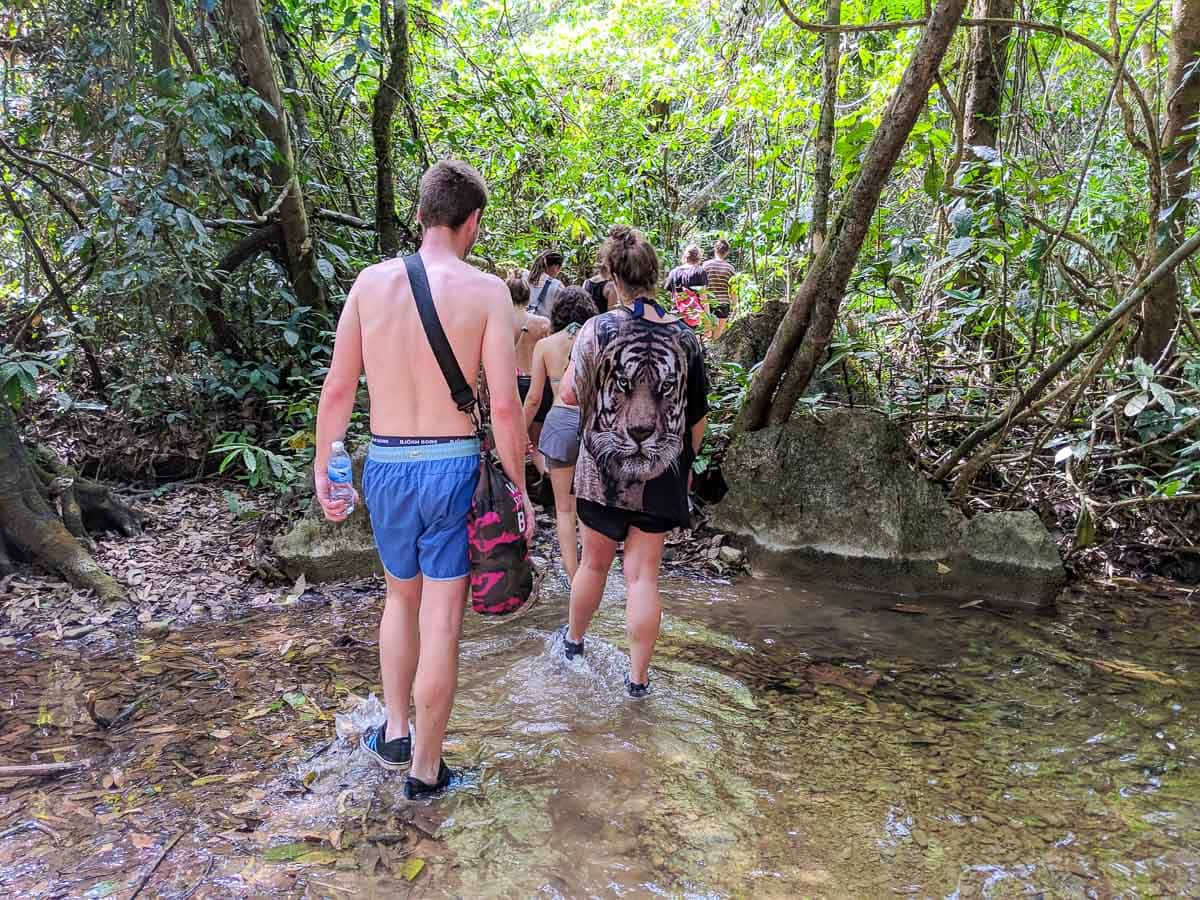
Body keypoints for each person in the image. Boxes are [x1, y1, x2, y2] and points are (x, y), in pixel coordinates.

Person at [314, 160, 534, 799]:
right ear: (472, 222)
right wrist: (515, 492)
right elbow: (503, 407)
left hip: (383, 464)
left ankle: (395, 730)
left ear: (419, 215)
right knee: (441, 619)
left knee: (399, 599)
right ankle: (425, 773)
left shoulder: (369, 284)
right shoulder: (487, 291)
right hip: (453, 466)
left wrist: (327, 466)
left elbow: (337, 389)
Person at [558, 226, 708, 697]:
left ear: (611, 278)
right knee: (643, 576)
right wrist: (683, 464)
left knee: (593, 566)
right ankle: (638, 681)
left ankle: (573, 644)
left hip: (601, 471)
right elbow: (697, 421)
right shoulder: (686, 338)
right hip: (664, 473)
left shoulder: (596, 330)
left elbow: (567, 394)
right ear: (656, 276)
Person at [522, 287, 598, 583]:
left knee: (564, 510)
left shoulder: (546, 345)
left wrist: (517, 434)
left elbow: (533, 399)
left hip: (560, 423)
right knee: (591, 506)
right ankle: (594, 573)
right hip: (595, 425)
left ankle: (574, 577)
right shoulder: (598, 340)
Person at [511, 273, 552, 446]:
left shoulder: (501, 321)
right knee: (537, 441)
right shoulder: (543, 323)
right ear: (528, 297)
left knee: (514, 438)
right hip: (539, 383)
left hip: (513, 384)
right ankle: (543, 471)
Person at [702, 239, 737, 340]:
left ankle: (704, 354)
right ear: (727, 252)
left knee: (705, 334)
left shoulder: (705, 265)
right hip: (723, 304)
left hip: (707, 303)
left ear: (715, 250)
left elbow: (701, 286)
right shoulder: (730, 268)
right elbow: (733, 290)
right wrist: (735, 305)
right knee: (718, 334)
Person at [525, 250, 565, 318]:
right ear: (555, 267)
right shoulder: (557, 285)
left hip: (524, 323)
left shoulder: (525, 278)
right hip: (544, 325)